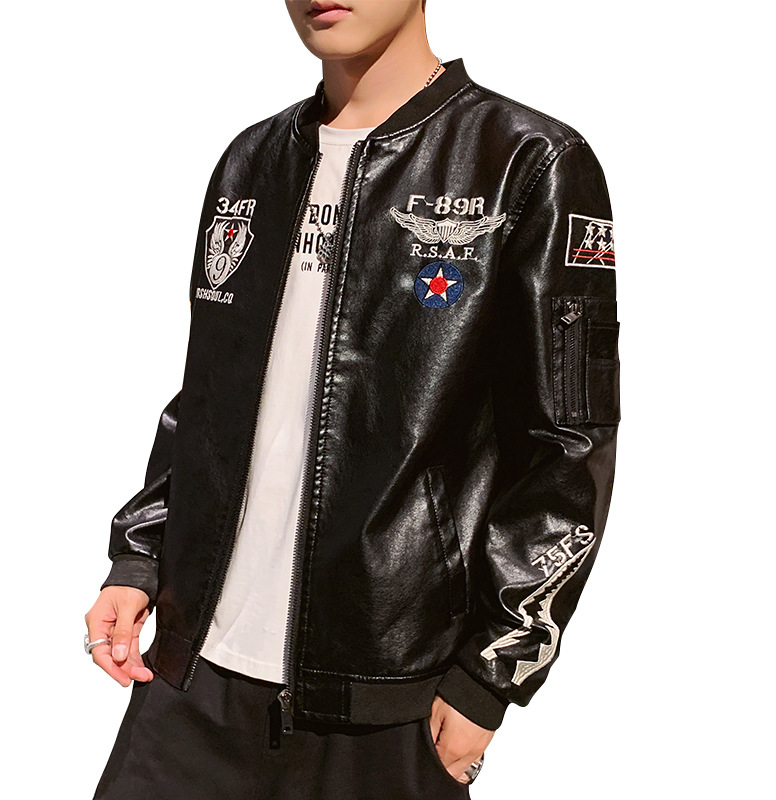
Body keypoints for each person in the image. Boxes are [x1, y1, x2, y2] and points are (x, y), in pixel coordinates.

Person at [85, 1, 621, 797]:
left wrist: (493, 671)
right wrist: (140, 556)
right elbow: (209, 394)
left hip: (387, 697)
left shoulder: (528, 162)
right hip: (191, 675)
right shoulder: (250, 161)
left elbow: (569, 442)